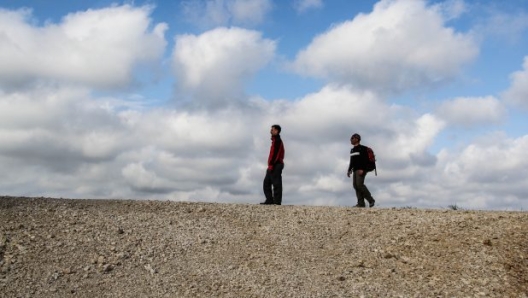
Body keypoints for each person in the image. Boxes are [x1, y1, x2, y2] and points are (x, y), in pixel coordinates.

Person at [347, 133, 375, 208]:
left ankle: (371, 200)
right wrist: (349, 170)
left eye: (352, 138)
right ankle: (361, 203)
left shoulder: (363, 148)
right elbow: (352, 161)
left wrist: (362, 169)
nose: (351, 140)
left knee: (359, 185)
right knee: (355, 185)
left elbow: (365, 160)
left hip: (361, 170)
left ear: (357, 139)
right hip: (355, 170)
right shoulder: (352, 150)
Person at [261, 124, 285, 205]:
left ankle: (277, 202)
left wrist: (271, 165)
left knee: (276, 183)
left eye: (272, 129)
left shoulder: (277, 141)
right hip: (273, 165)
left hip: (276, 165)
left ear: (276, 131)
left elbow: (275, 155)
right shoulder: (275, 140)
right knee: (266, 183)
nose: (270, 131)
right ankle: (270, 200)